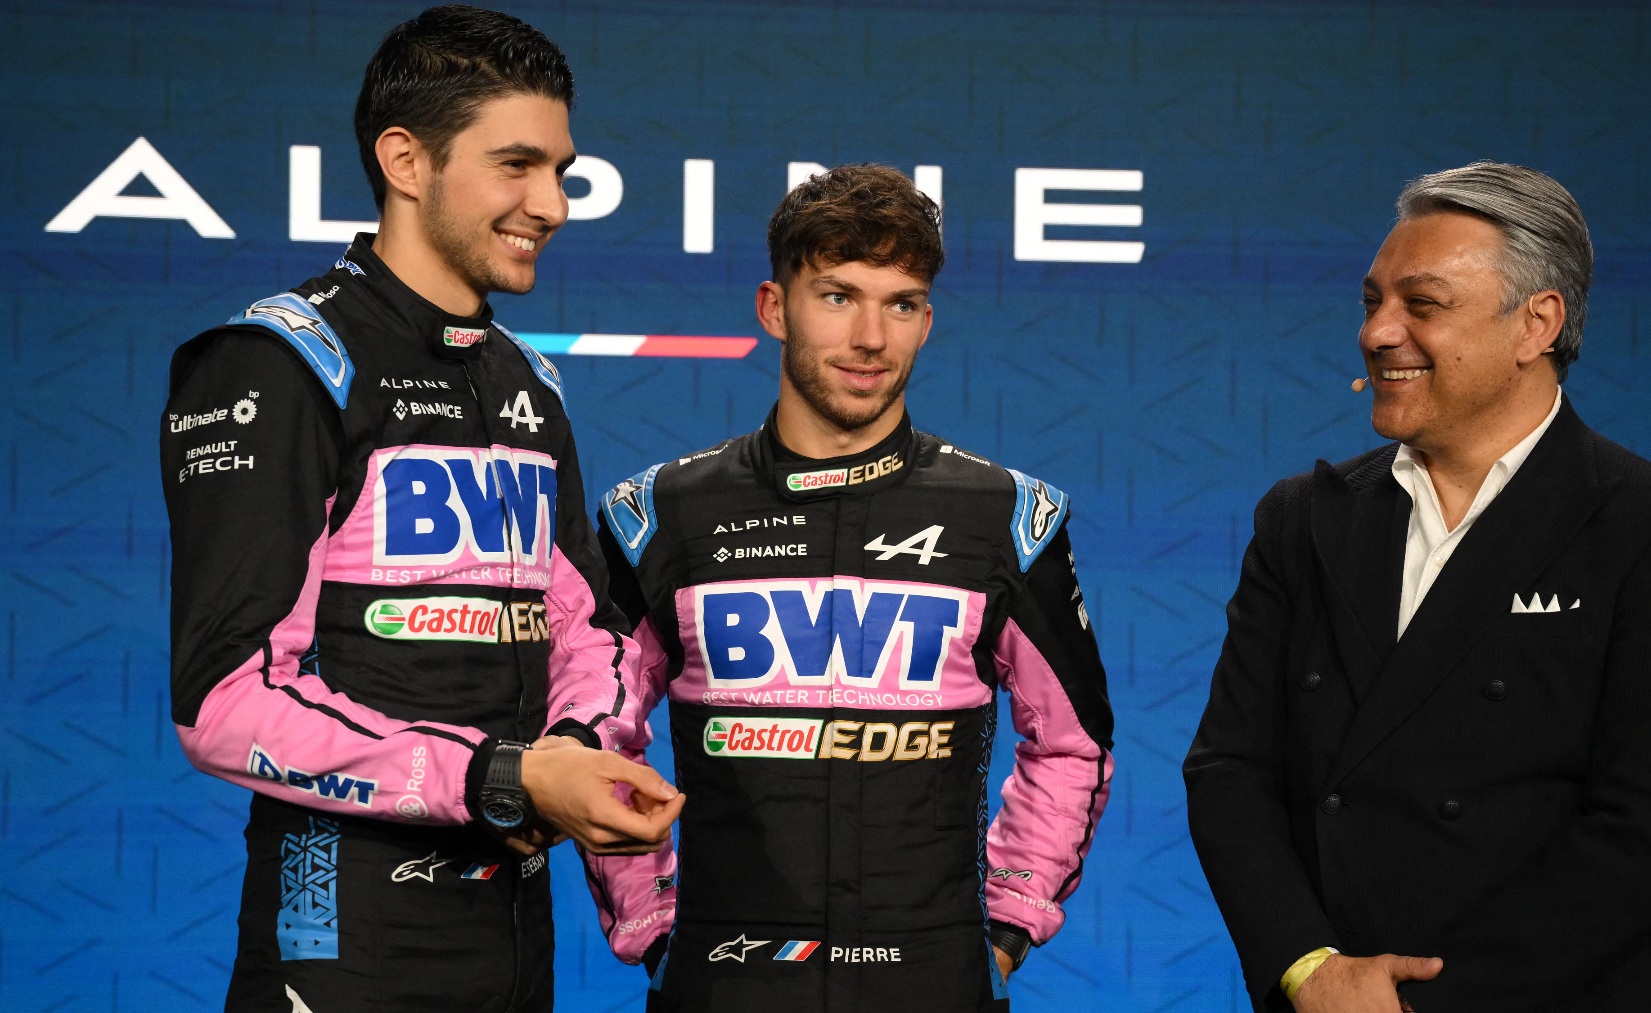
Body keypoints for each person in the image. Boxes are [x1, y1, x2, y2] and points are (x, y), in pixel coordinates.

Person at [159, 7, 682, 1010]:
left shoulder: (527, 379)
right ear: (406, 159)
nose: (556, 203)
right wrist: (500, 775)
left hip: (515, 939)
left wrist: (569, 750)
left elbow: (588, 626)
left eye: (562, 169)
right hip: (338, 939)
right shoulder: (283, 363)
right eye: (518, 165)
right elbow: (222, 704)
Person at [1183, 161, 1651, 1013]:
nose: (1379, 332)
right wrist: (1312, 969)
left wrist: (1423, 1004)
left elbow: (1650, 835)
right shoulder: (1302, 519)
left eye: (1422, 304)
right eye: (1372, 301)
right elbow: (1230, 769)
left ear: (1538, 324)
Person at [584, 164, 1115, 1012]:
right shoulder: (660, 515)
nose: (871, 335)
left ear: (927, 321)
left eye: (900, 303)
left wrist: (1009, 922)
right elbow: (590, 736)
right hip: (723, 980)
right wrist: (649, 920)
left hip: (935, 980)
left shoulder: (1008, 515)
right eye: (837, 296)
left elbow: (1074, 741)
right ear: (772, 307)